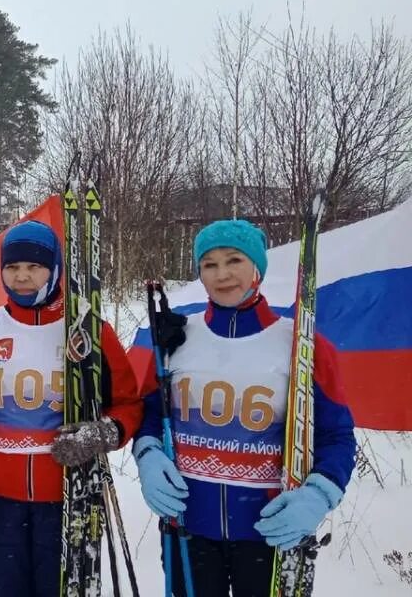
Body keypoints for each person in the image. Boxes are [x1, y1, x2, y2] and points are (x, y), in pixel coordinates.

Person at [133, 218, 355, 597]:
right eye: (209, 264)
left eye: (234, 260)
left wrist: (319, 494)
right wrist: (149, 455)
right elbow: (150, 414)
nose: (222, 274)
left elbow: (336, 434)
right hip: (188, 526)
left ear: (257, 268)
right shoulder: (176, 338)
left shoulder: (300, 344)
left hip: (269, 530)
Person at [0, 220, 142, 597]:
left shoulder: (87, 328)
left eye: (34, 268)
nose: (22, 277)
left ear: (54, 270)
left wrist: (104, 432)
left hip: (67, 498)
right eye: (13, 268)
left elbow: (128, 404)